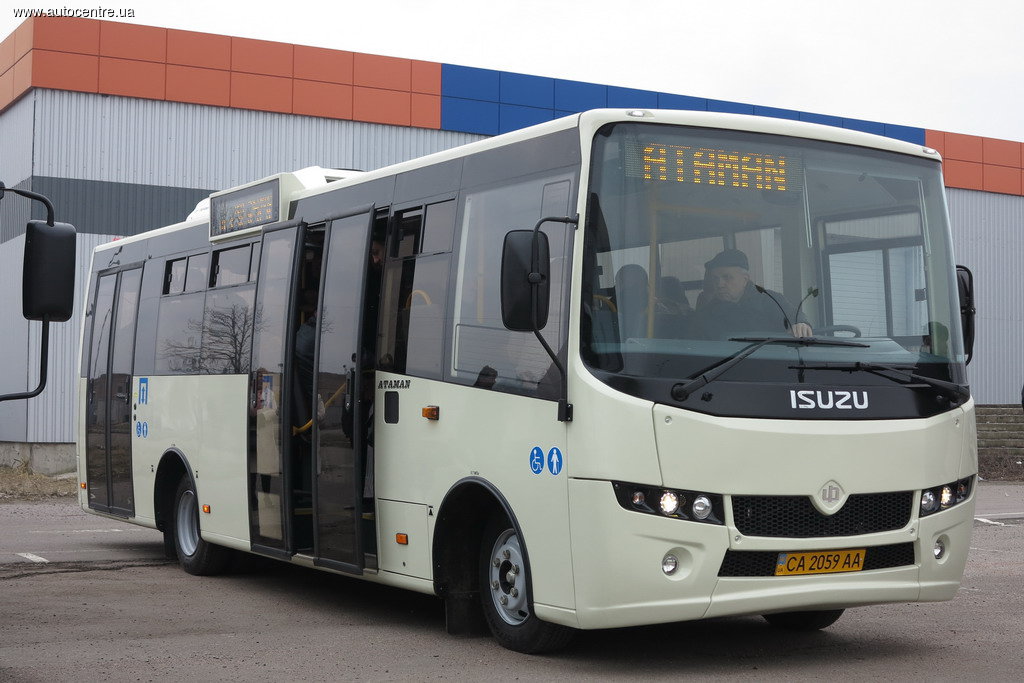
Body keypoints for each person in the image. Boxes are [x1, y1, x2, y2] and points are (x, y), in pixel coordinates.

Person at [690, 248, 812, 340]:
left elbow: (794, 317)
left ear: (745, 279)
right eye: (715, 279)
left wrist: (800, 324)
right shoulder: (706, 314)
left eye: (727, 277)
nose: (720, 284)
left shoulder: (770, 300)